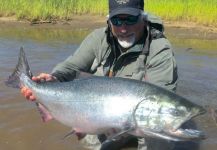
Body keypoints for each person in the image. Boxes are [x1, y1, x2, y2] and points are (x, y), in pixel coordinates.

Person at [21, 0, 178, 149]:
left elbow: (161, 99)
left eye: (130, 19)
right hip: (105, 114)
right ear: (109, 21)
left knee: (161, 132)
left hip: (142, 118)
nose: (123, 28)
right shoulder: (98, 38)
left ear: (143, 18)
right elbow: (72, 66)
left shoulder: (159, 49)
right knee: (89, 138)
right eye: (117, 21)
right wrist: (54, 77)